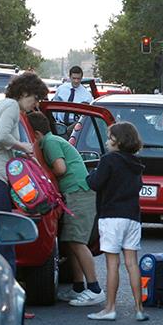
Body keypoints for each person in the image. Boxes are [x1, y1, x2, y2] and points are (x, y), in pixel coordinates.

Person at [27, 111, 103, 306]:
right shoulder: (53, 140)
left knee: (77, 241)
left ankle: (95, 289)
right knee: (70, 241)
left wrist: (40, 172)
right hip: (76, 193)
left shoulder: (50, 143)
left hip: (78, 192)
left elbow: (60, 168)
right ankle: (78, 287)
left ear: (35, 134)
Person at [0, 72, 49, 273]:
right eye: (35, 99)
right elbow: (1, 136)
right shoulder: (10, 106)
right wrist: (23, 147)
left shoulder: (4, 105)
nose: (35, 105)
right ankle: (6, 286)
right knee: (2, 237)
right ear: (25, 92)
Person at [85, 121, 148, 322]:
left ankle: (110, 308)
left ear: (117, 140)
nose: (107, 140)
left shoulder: (109, 160)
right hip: (132, 217)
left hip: (111, 216)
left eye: (109, 136)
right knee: (132, 263)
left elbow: (95, 183)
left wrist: (90, 175)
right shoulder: (136, 164)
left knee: (113, 263)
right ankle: (139, 309)